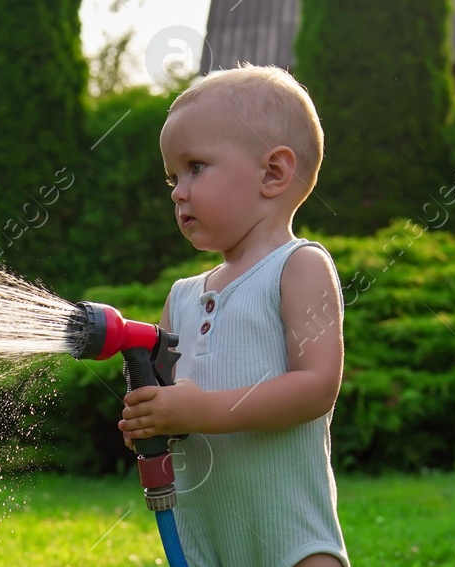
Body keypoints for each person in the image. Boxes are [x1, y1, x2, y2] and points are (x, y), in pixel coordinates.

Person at [118, 63, 349, 567]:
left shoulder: (299, 266)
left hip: (291, 543)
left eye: (196, 167)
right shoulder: (181, 296)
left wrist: (203, 411)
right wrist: (151, 415)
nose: (178, 191)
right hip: (204, 543)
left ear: (273, 173)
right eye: (172, 177)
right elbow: (170, 403)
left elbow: (316, 385)